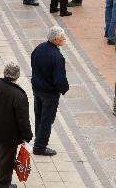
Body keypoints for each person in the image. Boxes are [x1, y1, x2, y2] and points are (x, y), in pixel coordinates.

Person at [0, 62, 33, 188]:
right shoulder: (19, 95)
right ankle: (3, 184)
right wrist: (28, 135)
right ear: (17, 76)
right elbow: (23, 120)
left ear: (4, 72)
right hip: (9, 135)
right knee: (6, 159)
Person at [30, 27, 68, 157]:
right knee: (47, 119)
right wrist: (63, 89)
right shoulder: (57, 56)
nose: (64, 40)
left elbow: (33, 63)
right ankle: (40, 147)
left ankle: (38, 139)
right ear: (56, 39)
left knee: (39, 115)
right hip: (49, 93)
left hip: (37, 89)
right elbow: (59, 79)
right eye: (63, 38)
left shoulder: (39, 48)